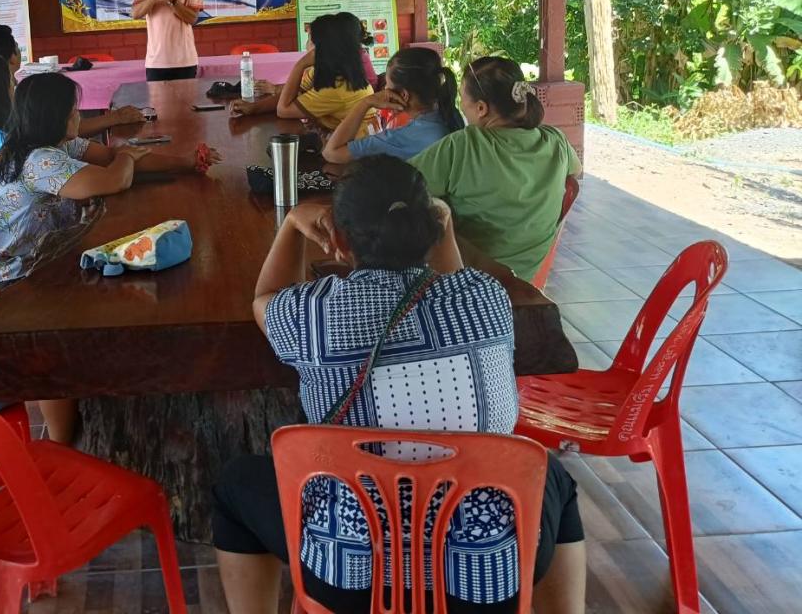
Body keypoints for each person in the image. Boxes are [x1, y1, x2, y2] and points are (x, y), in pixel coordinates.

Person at [212, 156, 586, 614]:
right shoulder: (486, 299)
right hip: (486, 585)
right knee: (557, 479)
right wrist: (443, 229)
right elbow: (452, 287)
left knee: (234, 484)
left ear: (340, 241)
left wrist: (291, 224)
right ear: (429, 226)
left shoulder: (314, 316)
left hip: (349, 582)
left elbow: (264, 300)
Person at [0, 71, 219, 442]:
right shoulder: (40, 161)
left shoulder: (50, 147)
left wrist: (186, 161)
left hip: (33, 260)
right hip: (14, 280)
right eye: (74, 111)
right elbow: (115, 178)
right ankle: (62, 441)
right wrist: (125, 158)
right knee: (121, 292)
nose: (79, 118)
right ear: (54, 116)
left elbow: (122, 162)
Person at [411, 56, 582, 282]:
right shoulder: (555, 140)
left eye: (463, 98)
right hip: (529, 278)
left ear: (481, 108)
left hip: (470, 279)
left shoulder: (464, 145)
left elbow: (403, 182)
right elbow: (575, 173)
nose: (461, 105)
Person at [0, 31, 143, 148]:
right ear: (13, 56)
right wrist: (116, 119)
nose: (76, 113)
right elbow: (64, 131)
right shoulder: (25, 140)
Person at [322, 46, 465, 163]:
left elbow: (331, 152)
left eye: (387, 86)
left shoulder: (403, 137)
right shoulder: (452, 115)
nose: (384, 91)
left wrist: (365, 102)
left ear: (403, 95)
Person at [275, 12, 374, 129]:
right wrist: (253, 108)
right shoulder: (329, 71)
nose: (307, 45)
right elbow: (291, 96)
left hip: (352, 145)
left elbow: (283, 110)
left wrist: (300, 65)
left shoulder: (337, 87)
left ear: (321, 48)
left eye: (311, 40)